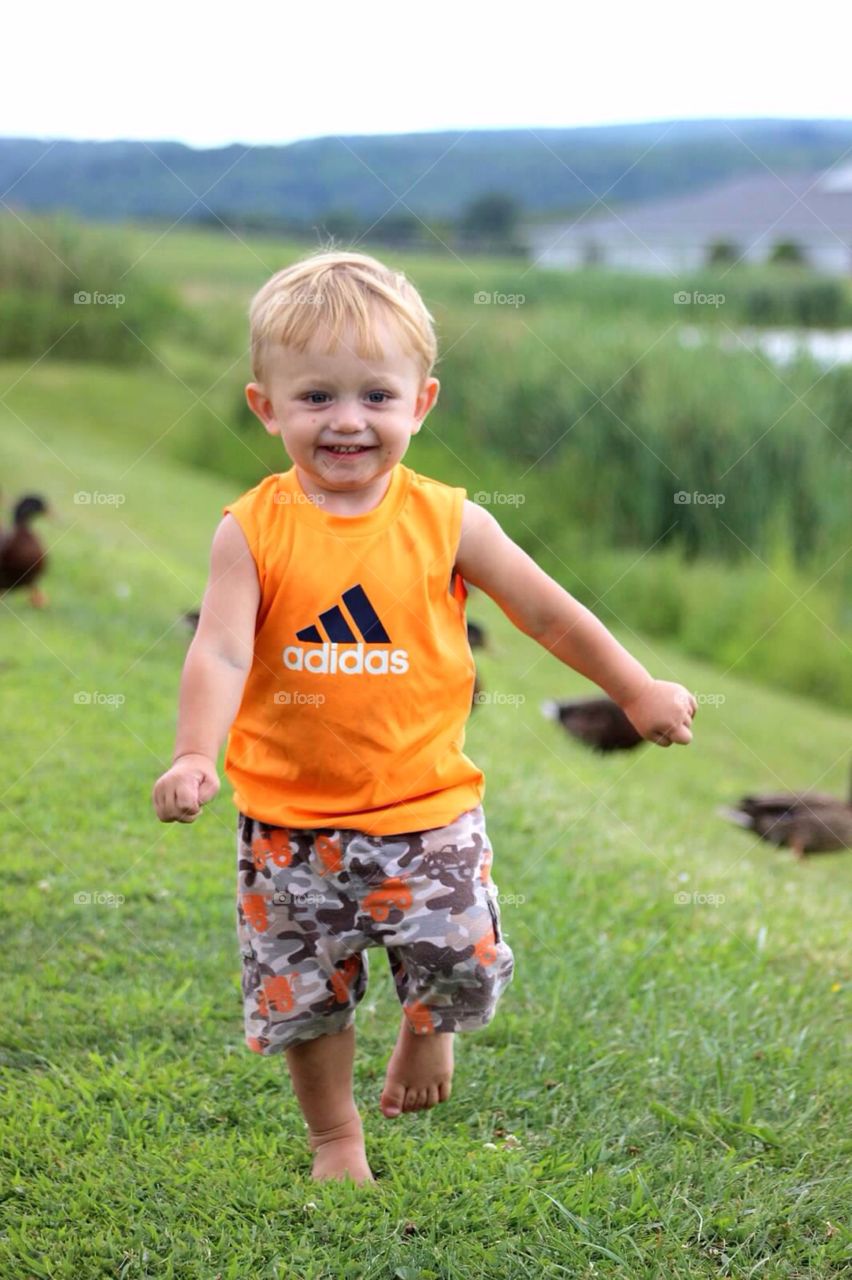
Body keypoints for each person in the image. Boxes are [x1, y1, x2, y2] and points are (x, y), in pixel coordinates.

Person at [152, 248, 696, 1184]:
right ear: (266, 406)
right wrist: (196, 753)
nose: (348, 421)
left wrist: (636, 688)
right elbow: (223, 650)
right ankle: (335, 1137)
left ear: (422, 403)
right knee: (302, 995)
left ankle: (427, 1026)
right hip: (290, 824)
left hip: (427, 808)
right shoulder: (250, 529)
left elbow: (549, 611)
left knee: (461, 957)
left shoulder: (450, 521)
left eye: (376, 396)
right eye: (316, 397)